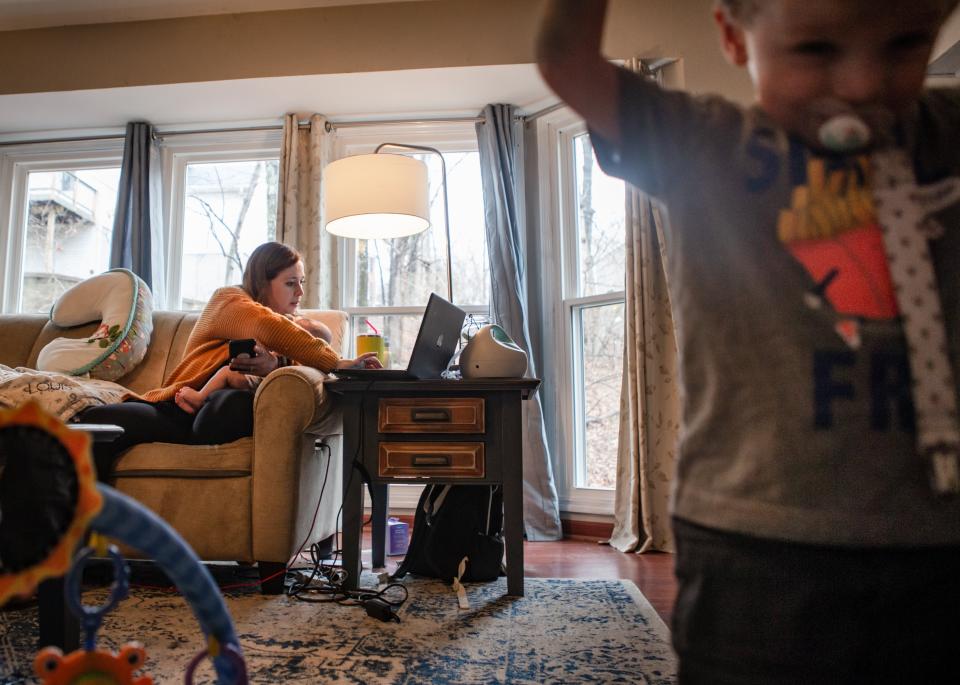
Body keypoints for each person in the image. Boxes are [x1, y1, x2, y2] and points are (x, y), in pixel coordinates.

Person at [538, 1, 960, 683]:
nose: (862, 83)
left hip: (939, 537)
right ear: (735, 38)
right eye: (817, 50)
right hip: (757, 548)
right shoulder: (711, 142)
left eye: (907, 44)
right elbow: (567, 64)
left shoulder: (944, 132)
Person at [80, 242, 380, 478]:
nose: (300, 292)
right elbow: (265, 325)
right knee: (94, 423)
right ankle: (82, 528)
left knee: (232, 404)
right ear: (263, 282)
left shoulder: (294, 328)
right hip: (178, 409)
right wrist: (338, 362)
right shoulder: (230, 302)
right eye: (291, 283)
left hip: (223, 410)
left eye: (301, 282)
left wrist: (276, 366)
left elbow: (296, 358)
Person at [173, 315, 333, 415]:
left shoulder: (298, 359)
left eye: (293, 330)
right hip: (263, 386)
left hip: (264, 385)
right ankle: (199, 407)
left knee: (226, 372)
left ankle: (200, 398)